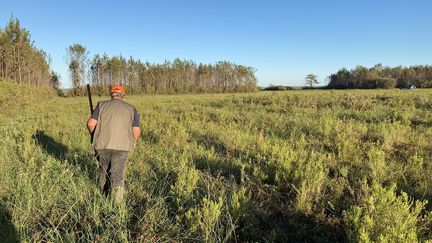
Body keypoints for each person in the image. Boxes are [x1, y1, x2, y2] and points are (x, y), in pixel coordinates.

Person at [86, 85, 141, 203]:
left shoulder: (101, 105)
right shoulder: (131, 108)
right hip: (122, 147)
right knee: (117, 176)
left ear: (111, 94)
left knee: (103, 172)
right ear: (123, 95)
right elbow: (136, 131)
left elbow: (90, 124)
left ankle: (101, 199)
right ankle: (116, 206)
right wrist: (134, 142)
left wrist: (94, 136)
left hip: (102, 145)